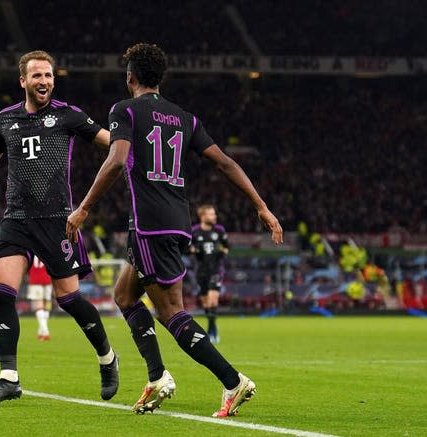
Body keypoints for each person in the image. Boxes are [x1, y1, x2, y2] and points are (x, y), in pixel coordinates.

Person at [66, 43, 283, 417]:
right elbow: (226, 163)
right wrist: (261, 206)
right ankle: (156, 377)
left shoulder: (125, 110)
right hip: (174, 221)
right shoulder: (185, 118)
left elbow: (116, 161)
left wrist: (83, 207)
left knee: (171, 312)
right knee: (124, 295)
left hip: (151, 225)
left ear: (130, 77)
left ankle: (233, 381)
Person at [0, 50, 119, 406]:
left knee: (70, 300)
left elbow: (112, 143)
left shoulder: (68, 115)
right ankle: (9, 377)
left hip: (56, 221)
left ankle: (108, 358)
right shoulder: (5, 120)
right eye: (37, 76)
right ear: (23, 81)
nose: (44, 81)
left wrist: (144, 149)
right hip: (15, 220)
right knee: (3, 293)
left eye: (48, 76)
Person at [191, 204, 229, 344]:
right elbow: (187, 247)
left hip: (216, 269)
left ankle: (211, 331)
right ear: (203, 216)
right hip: (201, 270)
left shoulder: (219, 230)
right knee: (206, 303)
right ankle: (212, 327)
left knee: (213, 300)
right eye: (211, 214)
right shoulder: (195, 231)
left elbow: (227, 246)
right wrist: (193, 250)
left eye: (214, 214)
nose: (215, 217)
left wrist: (222, 252)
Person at [27, 255, 53, 340]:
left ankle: (45, 331)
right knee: (46, 304)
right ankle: (41, 331)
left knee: (39, 304)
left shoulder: (31, 249)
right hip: (48, 279)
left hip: (35, 279)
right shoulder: (47, 247)